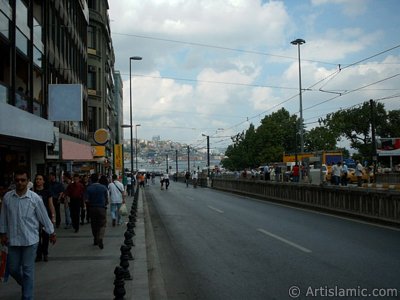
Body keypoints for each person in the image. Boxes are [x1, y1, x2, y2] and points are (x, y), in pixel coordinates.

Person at [0, 168, 56, 299]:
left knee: (28, 270)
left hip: (30, 240)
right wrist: (2, 233)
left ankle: (27, 297)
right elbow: (3, 217)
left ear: (28, 181)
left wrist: (51, 232)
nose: (20, 182)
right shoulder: (8, 197)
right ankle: (26, 285)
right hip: (13, 240)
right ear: (14, 181)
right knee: (13, 268)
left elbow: (43, 216)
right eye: (17, 180)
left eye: (23, 180)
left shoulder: (35, 198)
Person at [33, 174, 56, 262]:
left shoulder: (47, 192)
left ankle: (45, 253)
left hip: (46, 216)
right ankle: (38, 254)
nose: (38, 181)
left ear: (43, 181)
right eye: (37, 179)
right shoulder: (32, 192)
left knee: (46, 236)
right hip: (35, 218)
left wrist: (53, 216)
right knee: (37, 236)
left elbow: (51, 205)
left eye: (40, 179)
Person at [85, 173, 108, 249]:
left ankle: (95, 239)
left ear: (91, 179)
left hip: (92, 208)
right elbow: (106, 198)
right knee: (102, 224)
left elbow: (87, 199)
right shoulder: (103, 187)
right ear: (98, 179)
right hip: (101, 208)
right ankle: (100, 237)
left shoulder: (89, 188)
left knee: (94, 225)